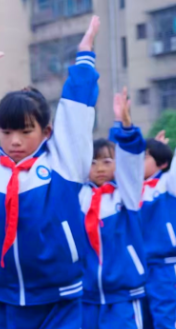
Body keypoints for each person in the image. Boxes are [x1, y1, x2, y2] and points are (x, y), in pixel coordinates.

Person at [0, 16, 101, 329]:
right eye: (6, 132)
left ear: (46, 131)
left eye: (25, 131)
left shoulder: (63, 165)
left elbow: (76, 114)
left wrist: (84, 57)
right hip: (1, 297)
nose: (14, 141)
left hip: (59, 298)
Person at [80, 88, 146, 328]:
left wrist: (125, 127)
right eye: (93, 162)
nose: (99, 168)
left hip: (123, 294)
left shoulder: (125, 193)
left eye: (107, 162)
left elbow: (131, 163)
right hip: (85, 296)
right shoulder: (81, 196)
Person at [140, 130, 176, 329]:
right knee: (141, 322)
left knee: (164, 320)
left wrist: (160, 150)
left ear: (162, 163)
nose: (136, 161)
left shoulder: (168, 184)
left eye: (143, 157)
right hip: (136, 268)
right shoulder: (127, 189)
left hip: (164, 266)